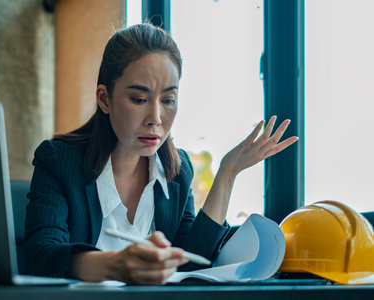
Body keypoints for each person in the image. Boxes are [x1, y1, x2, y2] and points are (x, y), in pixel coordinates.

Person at [23, 23, 298, 285]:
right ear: (104, 99)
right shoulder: (58, 161)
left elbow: (189, 266)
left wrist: (227, 172)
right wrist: (116, 265)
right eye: (139, 100)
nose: (155, 118)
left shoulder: (176, 172)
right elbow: (41, 257)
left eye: (168, 101)